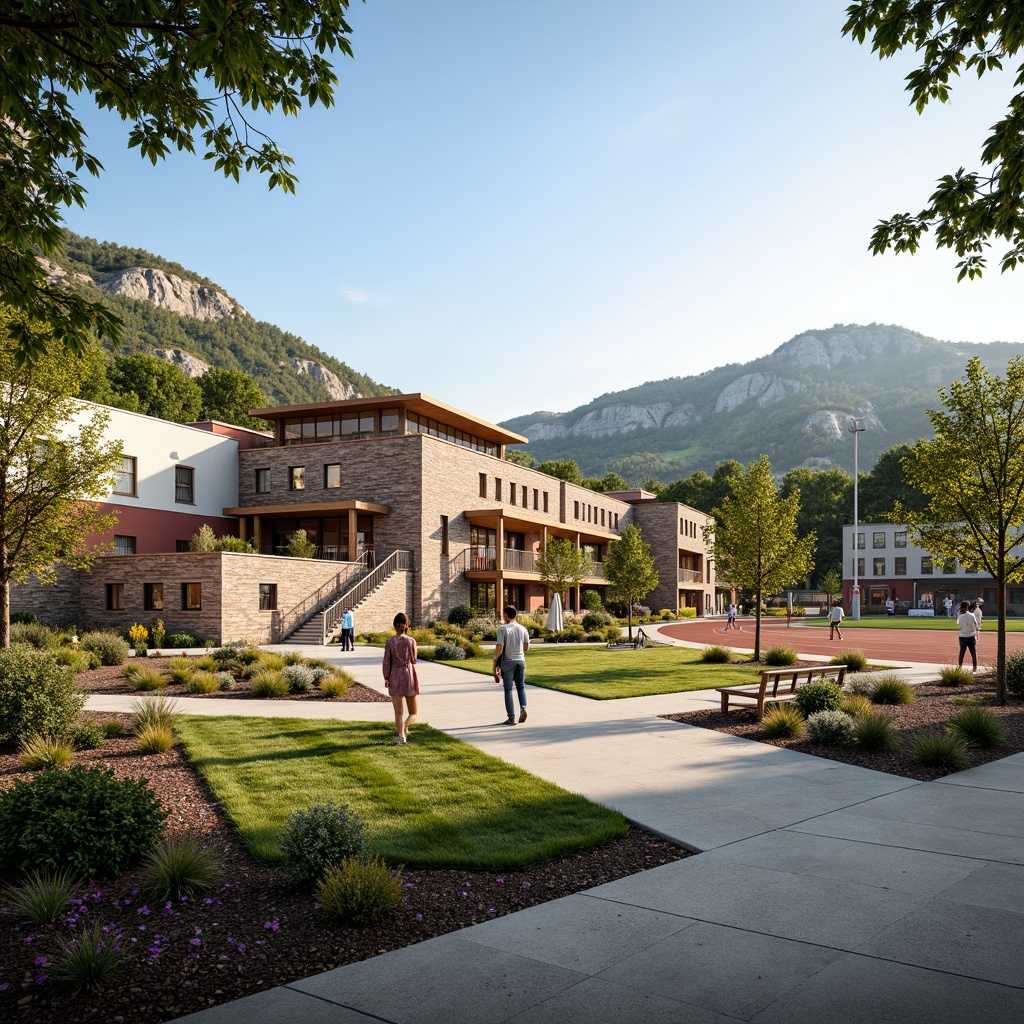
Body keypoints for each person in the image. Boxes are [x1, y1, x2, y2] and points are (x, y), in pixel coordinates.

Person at [382, 612, 418, 744]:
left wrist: (386, 676)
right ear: (407, 625)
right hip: (408, 674)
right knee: (413, 713)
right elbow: (413, 659)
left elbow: (387, 661)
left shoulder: (389, 641)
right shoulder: (411, 641)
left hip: (394, 675)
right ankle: (405, 727)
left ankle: (401, 735)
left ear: (394, 626)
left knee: (398, 712)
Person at [493, 604, 530, 725]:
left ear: (506, 615)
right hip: (520, 660)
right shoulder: (523, 629)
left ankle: (511, 717)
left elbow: (500, 646)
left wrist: (495, 662)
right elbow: (526, 647)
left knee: (508, 689)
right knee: (521, 687)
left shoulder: (503, 629)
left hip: (508, 661)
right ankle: (523, 708)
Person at [957, 600, 979, 671]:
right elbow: (976, 626)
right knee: (973, 653)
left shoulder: (960, 617)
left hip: (962, 636)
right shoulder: (972, 615)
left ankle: (960, 666)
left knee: (962, 652)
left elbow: (959, 625)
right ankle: (974, 667)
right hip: (971, 636)